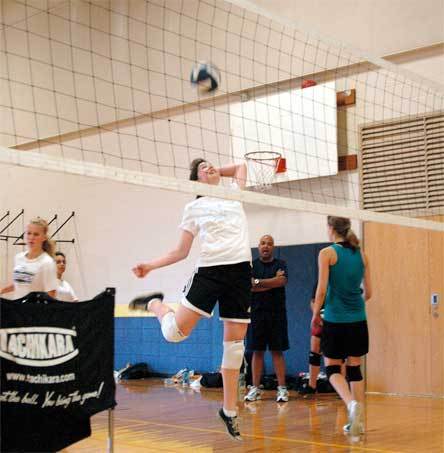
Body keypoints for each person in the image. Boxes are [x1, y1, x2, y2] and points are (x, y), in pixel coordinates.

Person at [129, 158, 251, 440]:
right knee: (174, 333)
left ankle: (229, 411)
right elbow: (180, 251)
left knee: (235, 348)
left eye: (211, 165)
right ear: (195, 180)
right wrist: (149, 265)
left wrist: (214, 172)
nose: (209, 168)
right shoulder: (194, 207)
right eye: (202, 168)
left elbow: (241, 166)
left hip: (240, 273)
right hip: (209, 272)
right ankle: (156, 305)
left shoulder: (235, 194)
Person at [312, 216, 372, 438]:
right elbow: (369, 293)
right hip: (358, 320)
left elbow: (321, 289)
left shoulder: (327, 253)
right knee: (355, 369)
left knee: (333, 370)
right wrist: (354, 304)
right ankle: (359, 423)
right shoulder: (361, 254)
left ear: (331, 229)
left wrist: (316, 313)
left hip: (336, 320)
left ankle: (351, 405)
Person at [244, 235, 289, 403]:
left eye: (269, 244)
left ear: (273, 247)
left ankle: (282, 389)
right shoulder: (252, 265)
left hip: (277, 315)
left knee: (277, 351)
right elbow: (249, 286)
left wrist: (259, 283)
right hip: (257, 314)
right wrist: (271, 282)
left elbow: (281, 281)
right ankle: (255, 388)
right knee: (257, 351)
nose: (266, 246)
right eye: (263, 243)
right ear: (258, 246)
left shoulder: (281, 264)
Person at [0, 217, 57, 299]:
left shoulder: (47, 262)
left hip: (34, 309)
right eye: (29, 233)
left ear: (44, 237)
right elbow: (19, 284)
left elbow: (51, 293)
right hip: (17, 307)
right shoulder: (18, 257)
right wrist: (2, 290)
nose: (31, 237)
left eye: (36, 234)